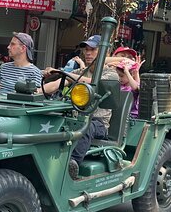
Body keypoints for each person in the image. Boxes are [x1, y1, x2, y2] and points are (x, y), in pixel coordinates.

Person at [43, 35, 118, 179]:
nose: (88, 53)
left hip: (99, 122)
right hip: (74, 117)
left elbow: (94, 83)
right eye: (86, 49)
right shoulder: (79, 72)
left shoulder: (111, 74)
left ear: (105, 53)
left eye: (93, 49)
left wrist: (68, 74)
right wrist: (37, 91)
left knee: (86, 127)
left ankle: (72, 164)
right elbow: (59, 83)